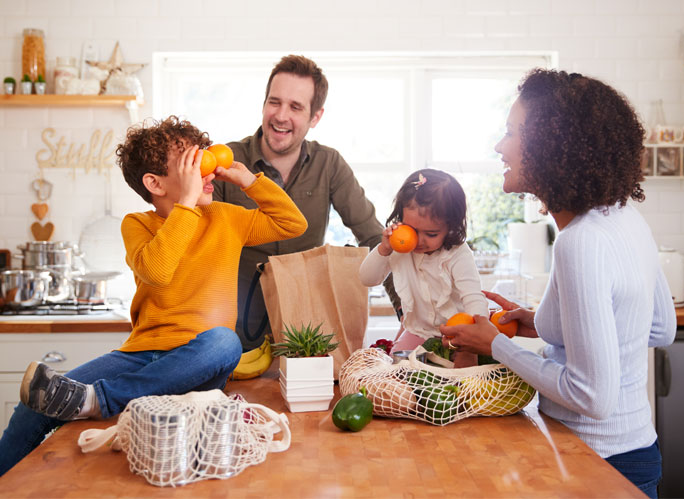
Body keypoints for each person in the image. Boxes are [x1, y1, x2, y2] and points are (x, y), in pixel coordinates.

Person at [0, 116, 307, 477]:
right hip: (142, 355)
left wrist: (249, 181)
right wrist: (188, 203)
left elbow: (292, 224)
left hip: (200, 360)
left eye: (203, 158)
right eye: (191, 163)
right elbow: (158, 269)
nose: (204, 168)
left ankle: (101, 399)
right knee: (33, 404)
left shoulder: (226, 218)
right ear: (154, 183)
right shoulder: (138, 224)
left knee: (225, 341)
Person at [439, 69, 676, 498]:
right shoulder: (624, 218)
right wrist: (546, 322)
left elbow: (591, 397)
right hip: (637, 453)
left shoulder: (579, 242)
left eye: (512, 132)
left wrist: (496, 345)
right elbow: (660, 327)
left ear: (551, 145)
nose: (499, 146)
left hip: (597, 464)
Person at [213, 54, 399, 354]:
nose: (281, 115)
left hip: (305, 336)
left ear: (315, 117)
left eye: (296, 107)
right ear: (264, 104)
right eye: (274, 102)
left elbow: (376, 239)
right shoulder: (227, 162)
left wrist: (405, 316)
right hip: (232, 334)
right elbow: (201, 247)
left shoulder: (329, 165)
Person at [359, 168, 487, 368]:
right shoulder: (398, 247)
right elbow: (367, 278)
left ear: (451, 227)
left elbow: (474, 300)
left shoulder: (458, 254)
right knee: (397, 372)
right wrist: (384, 248)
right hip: (418, 331)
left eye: (432, 233)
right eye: (413, 230)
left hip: (459, 336)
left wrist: (471, 347)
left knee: (461, 380)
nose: (419, 241)